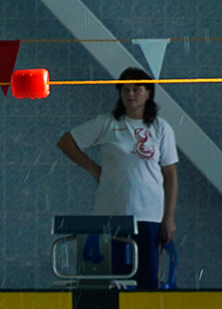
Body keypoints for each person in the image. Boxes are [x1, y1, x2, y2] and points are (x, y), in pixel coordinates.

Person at [56, 67, 179, 291]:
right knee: (105, 281)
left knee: (147, 281)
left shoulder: (161, 129)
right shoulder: (107, 123)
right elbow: (66, 141)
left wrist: (168, 218)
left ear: (148, 92)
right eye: (125, 90)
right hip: (109, 213)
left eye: (136, 89)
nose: (130, 94)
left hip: (148, 213)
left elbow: (170, 176)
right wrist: (93, 168)